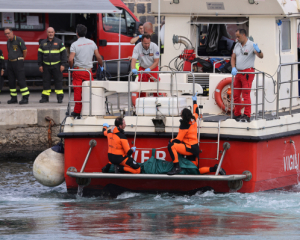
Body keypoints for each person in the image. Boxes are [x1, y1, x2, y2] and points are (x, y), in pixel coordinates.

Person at [167, 93, 226, 175]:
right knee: (195, 171)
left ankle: (176, 167)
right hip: (195, 148)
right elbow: (196, 111)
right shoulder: (194, 118)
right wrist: (194, 101)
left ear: (183, 116)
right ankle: (214, 168)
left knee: (171, 146)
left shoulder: (184, 125)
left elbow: (178, 140)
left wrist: (171, 140)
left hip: (189, 148)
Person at [68, 24, 103, 118]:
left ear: (77, 33)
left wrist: (71, 68)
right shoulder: (92, 43)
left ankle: (77, 111)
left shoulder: (74, 44)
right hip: (88, 72)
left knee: (77, 91)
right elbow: (98, 57)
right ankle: (89, 109)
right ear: (85, 33)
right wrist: (101, 66)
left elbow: (70, 59)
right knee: (89, 91)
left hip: (78, 71)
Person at [231, 29, 263, 122]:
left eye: (238, 36)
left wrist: (259, 50)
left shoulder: (252, 45)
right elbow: (233, 57)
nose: (237, 38)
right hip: (238, 72)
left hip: (248, 73)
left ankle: (247, 114)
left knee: (246, 94)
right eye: (236, 36)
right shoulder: (237, 45)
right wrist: (233, 67)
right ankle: (237, 114)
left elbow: (261, 56)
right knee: (236, 95)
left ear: (243, 35)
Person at [38, 27, 67, 104]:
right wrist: (40, 65)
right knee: (46, 82)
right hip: (46, 66)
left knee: (58, 82)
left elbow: (64, 54)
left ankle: (59, 98)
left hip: (57, 65)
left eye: (52, 32)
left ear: (54, 33)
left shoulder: (59, 42)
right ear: (47, 33)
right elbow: (40, 55)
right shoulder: (43, 43)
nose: (50, 34)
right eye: (49, 32)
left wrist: (63, 64)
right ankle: (45, 98)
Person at [4, 27, 30, 104]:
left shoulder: (19, 39)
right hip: (10, 63)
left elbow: (25, 50)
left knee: (21, 80)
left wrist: (22, 59)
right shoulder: (8, 41)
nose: (7, 35)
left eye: (8, 33)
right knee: (11, 81)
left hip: (18, 62)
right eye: (6, 34)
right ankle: (13, 98)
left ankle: (25, 98)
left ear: (12, 32)